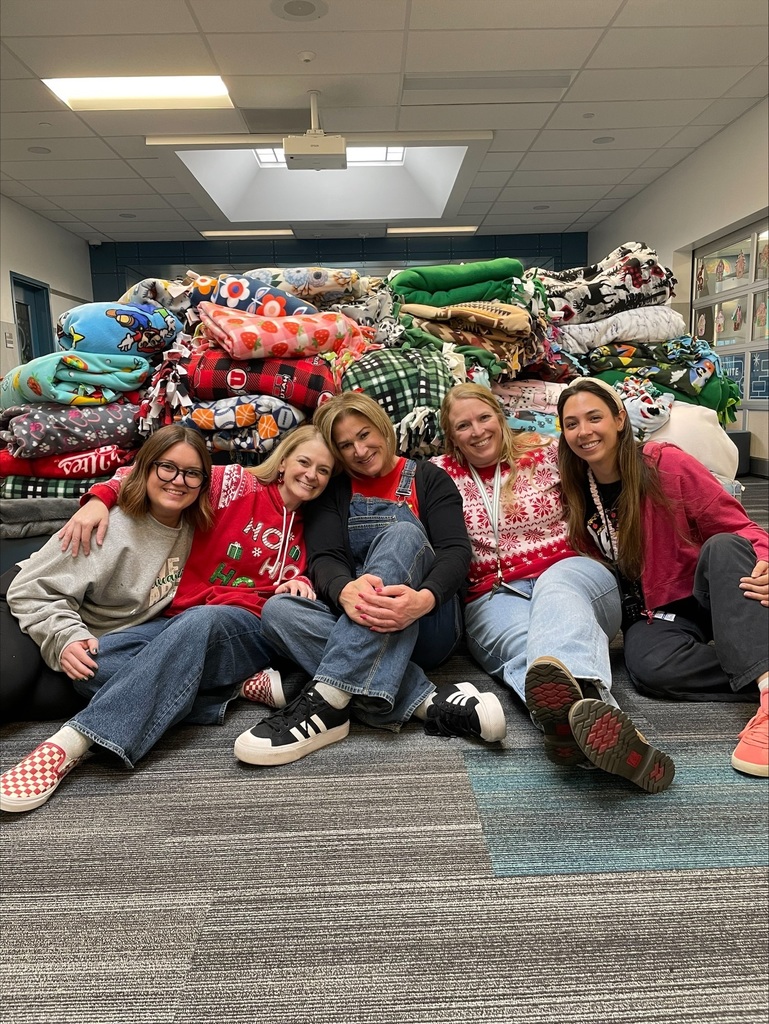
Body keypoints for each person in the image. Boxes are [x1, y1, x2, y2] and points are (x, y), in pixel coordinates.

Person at [0, 425, 335, 813]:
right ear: (283, 459)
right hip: (181, 620)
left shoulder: (319, 525)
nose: (311, 474)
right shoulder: (233, 486)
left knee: (202, 622)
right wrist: (98, 497)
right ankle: (228, 690)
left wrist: (299, 586)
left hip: (242, 625)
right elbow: (154, 470)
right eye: (304, 462)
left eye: (324, 470)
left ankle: (71, 743)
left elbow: (328, 567)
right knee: (96, 664)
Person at [238, 391, 507, 767]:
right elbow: (326, 557)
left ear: (383, 427)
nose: (360, 451)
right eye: (346, 445)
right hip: (357, 616)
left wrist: (424, 599)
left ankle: (326, 702)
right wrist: (344, 589)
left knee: (404, 534)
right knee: (280, 611)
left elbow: (455, 552)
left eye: (364, 435)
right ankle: (429, 703)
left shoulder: (429, 478)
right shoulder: (333, 490)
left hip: (426, 623)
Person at [434, 382, 675, 794]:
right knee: (527, 653)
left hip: (575, 576)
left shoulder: (547, 452)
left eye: (484, 418)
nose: (477, 431)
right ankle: (597, 730)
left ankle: (570, 714)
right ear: (450, 435)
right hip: (494, 596)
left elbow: (610, 455)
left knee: (557, 590)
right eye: (463, 426)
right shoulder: (437, 475)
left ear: (500, 416)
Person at [557, 376, 769, 779]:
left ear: (620, 418)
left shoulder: (662, 463)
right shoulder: (577, 489)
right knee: (650, 668)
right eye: (571, 424)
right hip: (658, 609)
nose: (584, 432)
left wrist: (766, 560)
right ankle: (759, 671)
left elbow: (740, 527)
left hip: (708, 588)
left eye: (594, 417)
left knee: (723, 546)